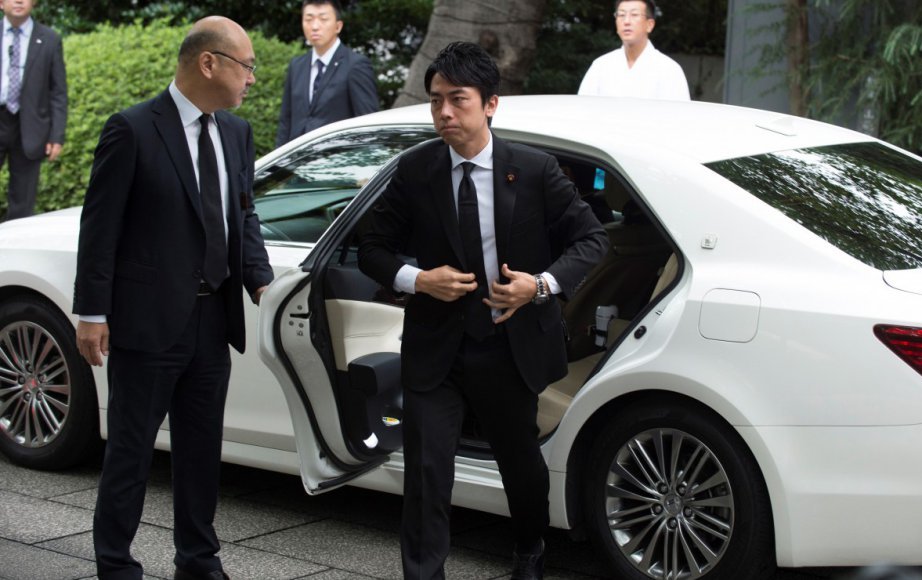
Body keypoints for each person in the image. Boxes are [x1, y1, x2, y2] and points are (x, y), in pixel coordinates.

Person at [359, 42, 608, 580]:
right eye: (435, 101)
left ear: (491, 104)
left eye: (458, 99)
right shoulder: (416, 170)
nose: (444, 112)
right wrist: (419, 280)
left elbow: (592, 239)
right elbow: (371, 249)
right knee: (426, 470)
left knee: (520, 464)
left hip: (507, 344)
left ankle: (530, 549)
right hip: (436, 346)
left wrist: (539, 286)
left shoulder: (534, 170)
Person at [73, 16, 274, 580]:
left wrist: (261, 279)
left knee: (201, 450)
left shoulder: (236, 133)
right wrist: (91, 313)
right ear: (209, 63)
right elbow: (100, 228)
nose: (251, 79)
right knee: (131, 451)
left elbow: (243, 215)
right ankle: (116, 565)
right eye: (247, 66)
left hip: (214, 319)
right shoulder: (133, 129)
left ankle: (198, 560)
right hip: (148, 321)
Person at [275, 0, 379, 147]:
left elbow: (368, 122)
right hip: (298, 157)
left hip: (338, 156)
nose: (315, 26)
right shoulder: (297, 65)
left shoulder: (355, 65)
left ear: (338, 26)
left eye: (323, 19)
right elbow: (286, 121)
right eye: (309, 19)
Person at [0, 0, 66, 220]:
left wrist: (56, 135)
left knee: (23, 201)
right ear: (1, 3)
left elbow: (58, 91)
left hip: (30, 126)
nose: (19, 1)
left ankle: (13, 241)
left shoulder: (50, 39)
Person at [578, 0, 690, 100]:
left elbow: (680, 114)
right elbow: (582, 108)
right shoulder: (600, 66)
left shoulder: (669, 69)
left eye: (634, 14)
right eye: (621, 15)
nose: (626, 21)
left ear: (650, 25)